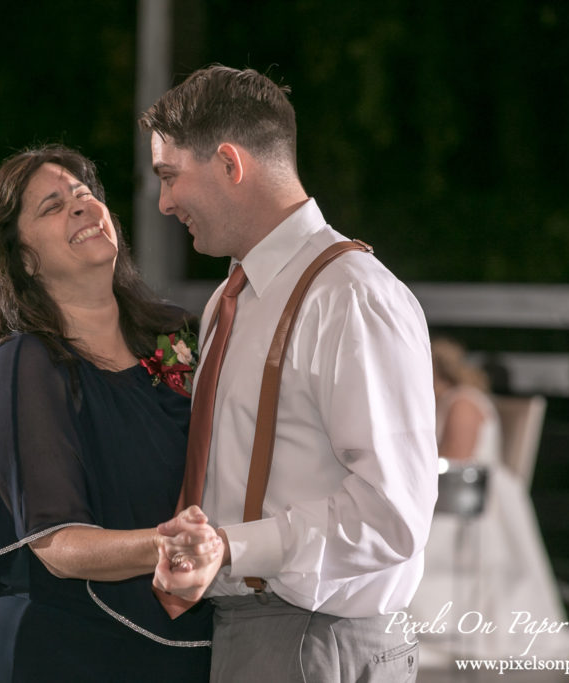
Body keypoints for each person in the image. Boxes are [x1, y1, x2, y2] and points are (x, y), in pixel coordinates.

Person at [140, 65, 439, 682]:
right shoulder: (230, 298)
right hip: (252, 628)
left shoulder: (351, 296)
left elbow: (392, 513)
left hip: (320, 634)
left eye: (171, 177)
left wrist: (234, 547)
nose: (165, 202)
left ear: (229, 163)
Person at [0, 145, 217, 682]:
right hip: (65, 643)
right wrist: (174, 545)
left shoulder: (174, 336)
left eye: (83, 194)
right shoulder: (25, 362)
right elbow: (59, 547)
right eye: (52, 207)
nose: (81, 206)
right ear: (24, 259)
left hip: (184, 628)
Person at [408, 337, 569, 663]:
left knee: (412, 546)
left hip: (471, 501)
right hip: (453, 496)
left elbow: (453, 462)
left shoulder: (462, 403)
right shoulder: (441, 402)